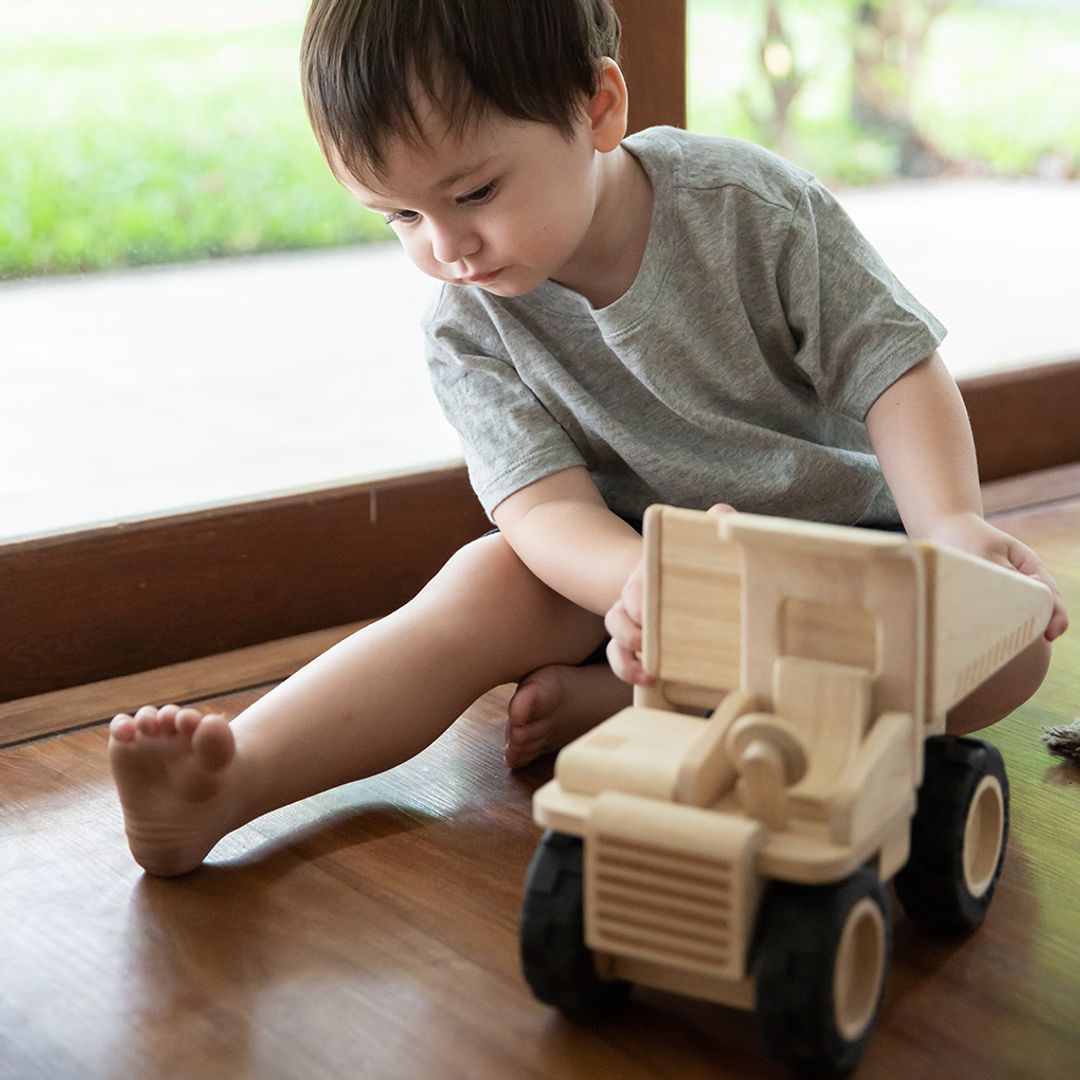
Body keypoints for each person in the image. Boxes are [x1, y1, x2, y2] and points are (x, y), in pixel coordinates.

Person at [108, 0, 1068, 877]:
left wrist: (949, 526)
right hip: (628, 576)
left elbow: (894, 371)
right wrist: (647, 584)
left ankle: (653, 705)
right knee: (479, 582)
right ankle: (238, 778)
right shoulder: (464, 323)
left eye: (474, 192)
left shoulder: (750, 208)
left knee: (1010, 652)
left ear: (598, 106)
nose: (446, 248)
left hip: (843, 561)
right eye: (400, 215)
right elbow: (542, 510)